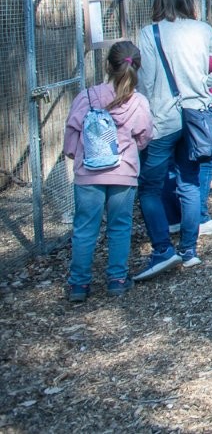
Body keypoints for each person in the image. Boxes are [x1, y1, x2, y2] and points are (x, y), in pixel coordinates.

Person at [135, 0, 212, 280]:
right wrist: (204, 83)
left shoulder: (149, 33)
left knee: (150, 186)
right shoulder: (202, 29)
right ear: (187, 0)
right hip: (196, 116)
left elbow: (146, 80)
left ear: (159, 1)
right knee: (189, 182)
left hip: (163, 118)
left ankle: (162, 249)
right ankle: (189, 250)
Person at [62, 41, 152, 301]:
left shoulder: (87, 97)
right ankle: (117, 279)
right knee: (120, 226)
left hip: (88, 173)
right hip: (123, 171)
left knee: (84, 228)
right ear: (137, 68)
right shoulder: (138, 102)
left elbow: (72, 133)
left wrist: (76, 155)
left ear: (107, 66)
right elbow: (144, 135)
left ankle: (79, 285)